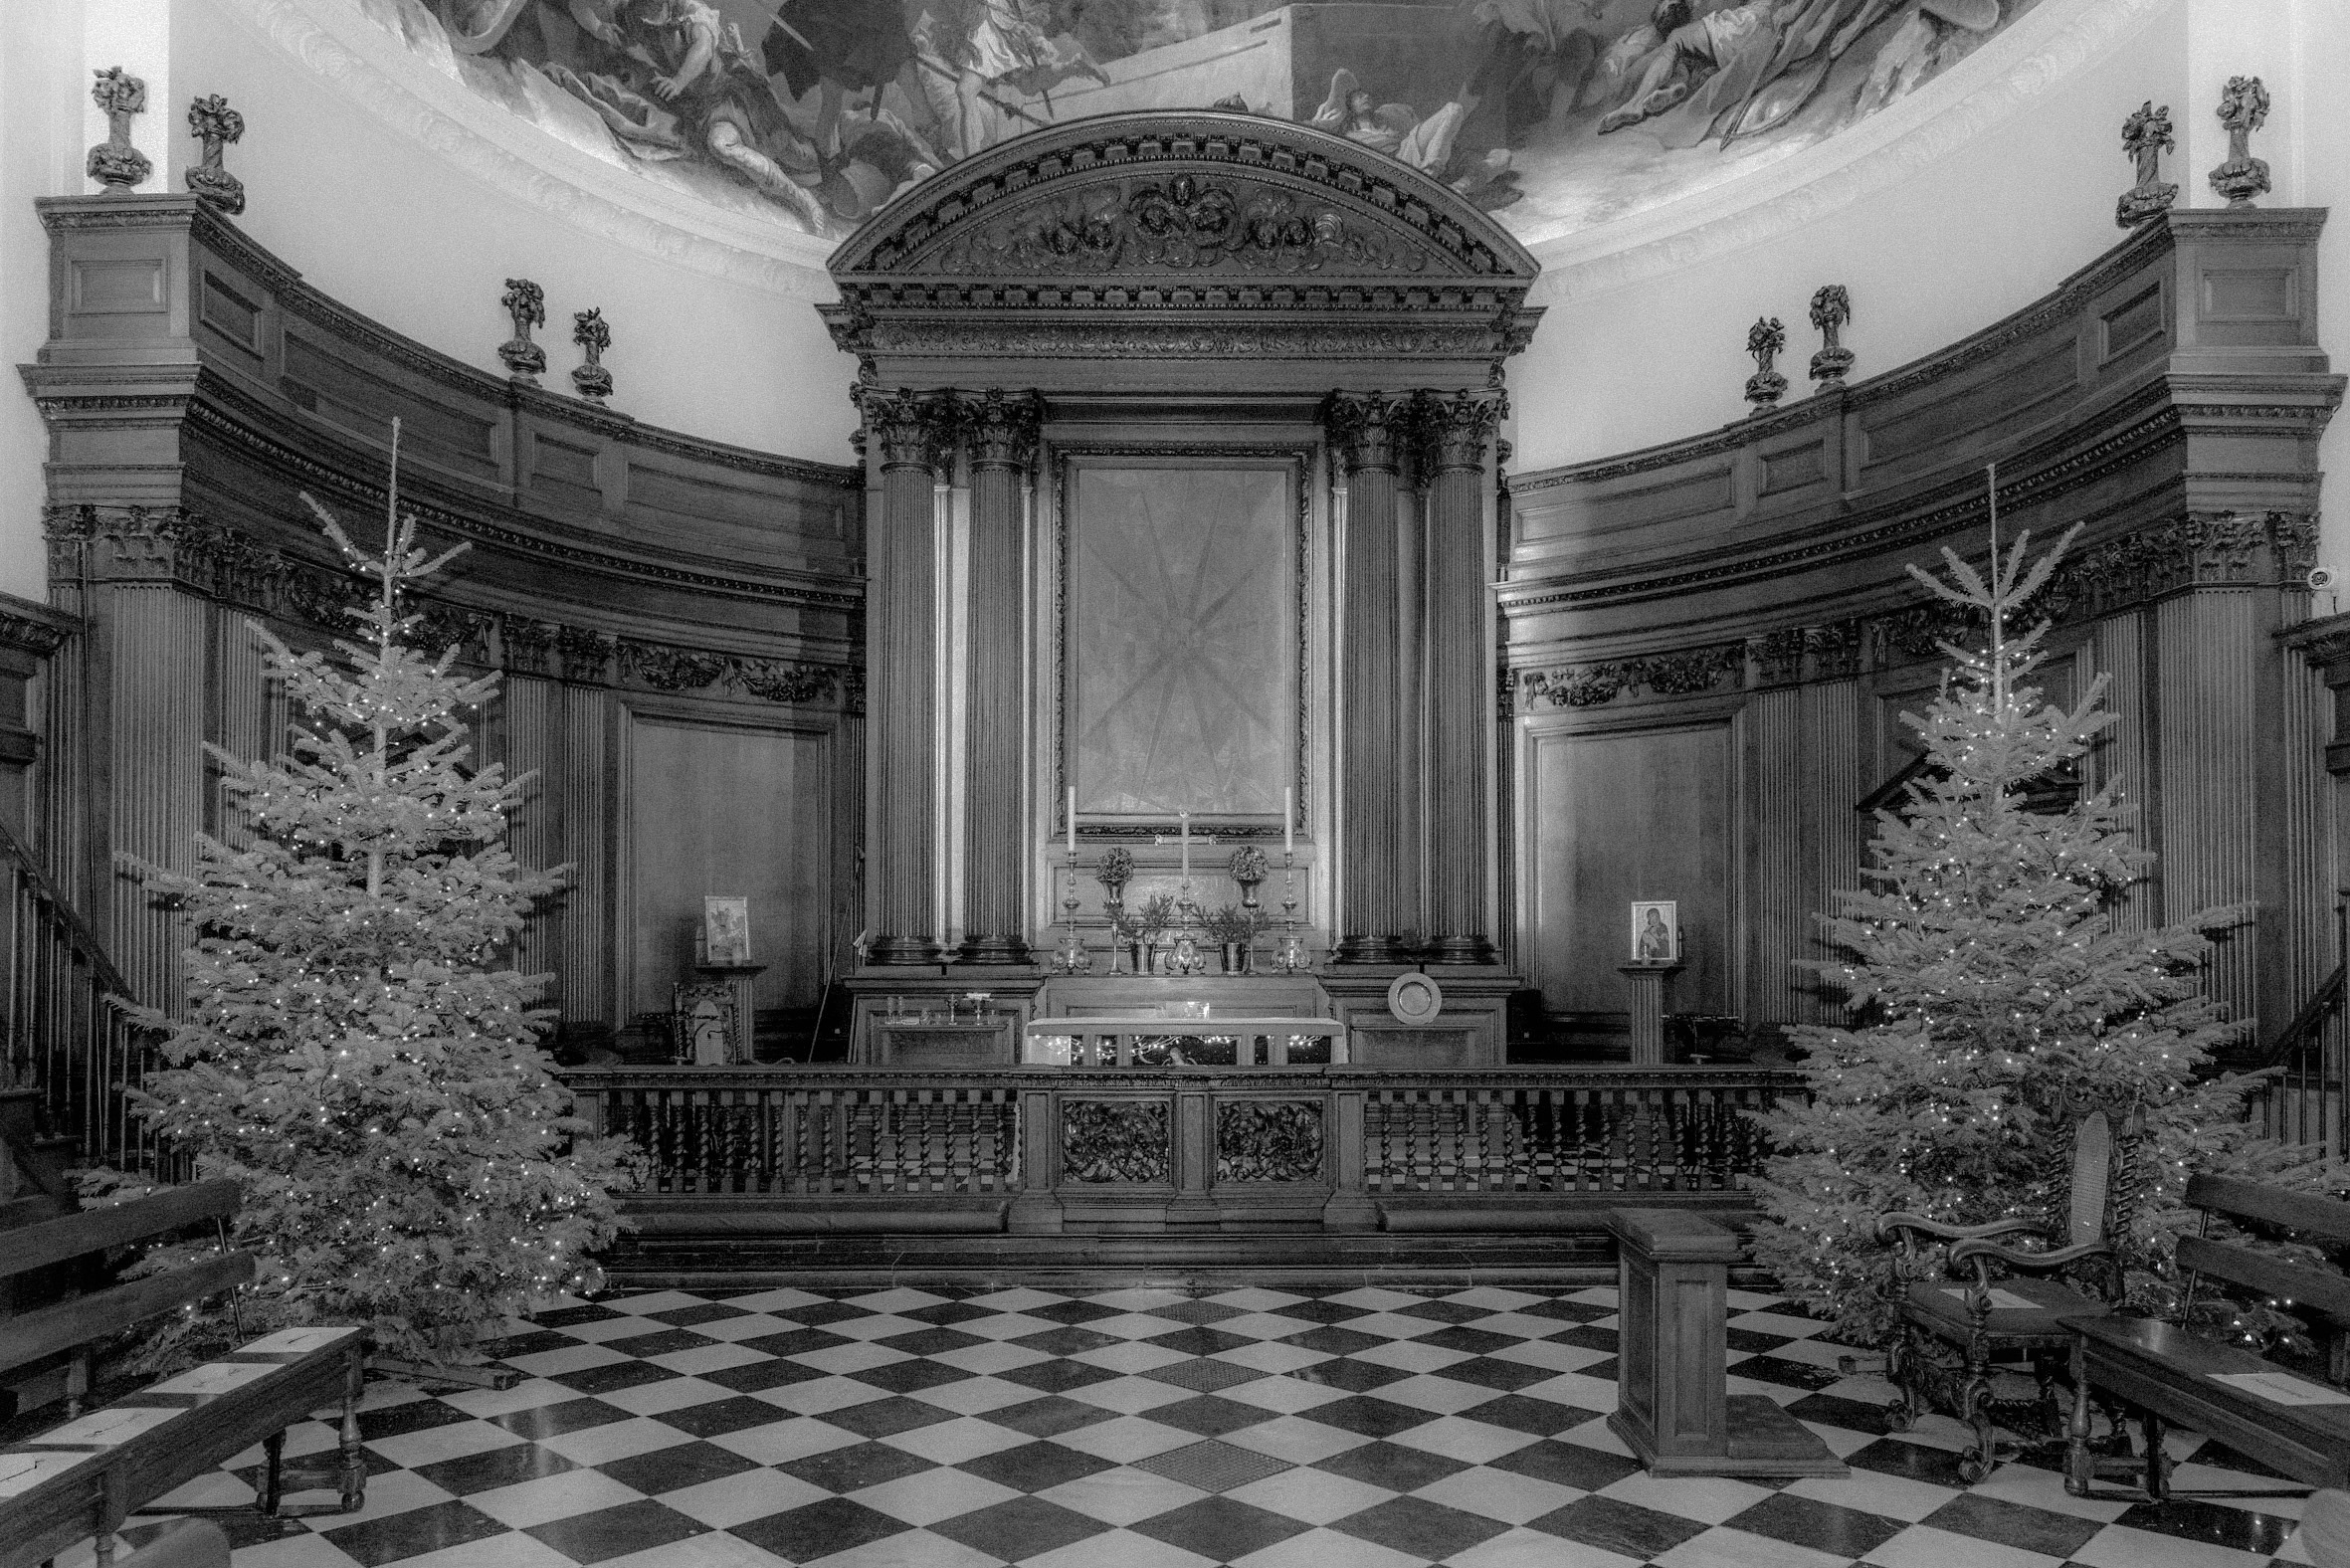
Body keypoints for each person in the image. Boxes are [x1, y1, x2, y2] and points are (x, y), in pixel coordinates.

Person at [1599, 0, 1790, 136]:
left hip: (1744, 24)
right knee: (1686, 54)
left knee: (1676, 40)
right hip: (1751, 29)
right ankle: (1675, 86)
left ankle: (1635, 104)